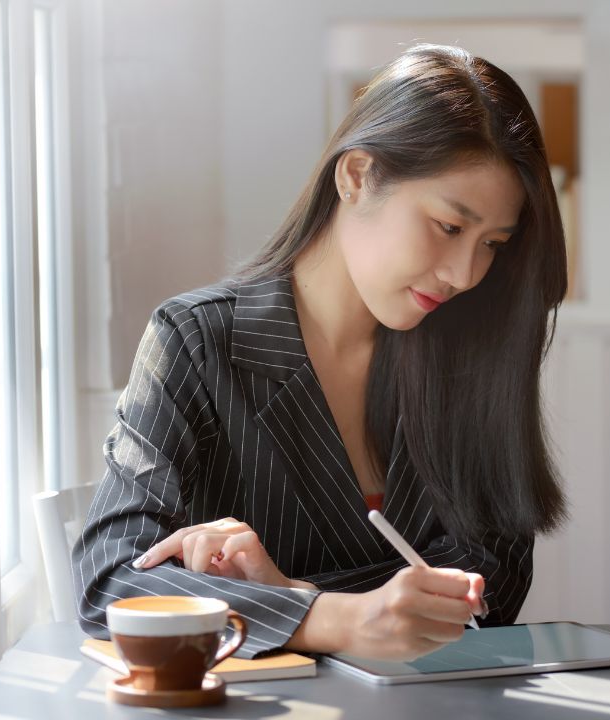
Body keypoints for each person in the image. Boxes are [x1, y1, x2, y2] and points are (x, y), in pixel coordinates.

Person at [72, 43, 568, 661]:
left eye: (493, 242)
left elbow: (495, 584)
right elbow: (112, 583)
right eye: (448, 226)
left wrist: (293, 596)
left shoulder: (471, 342)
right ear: (356, 176)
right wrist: (334, 619)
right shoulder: (197, 342)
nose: (466, 273)